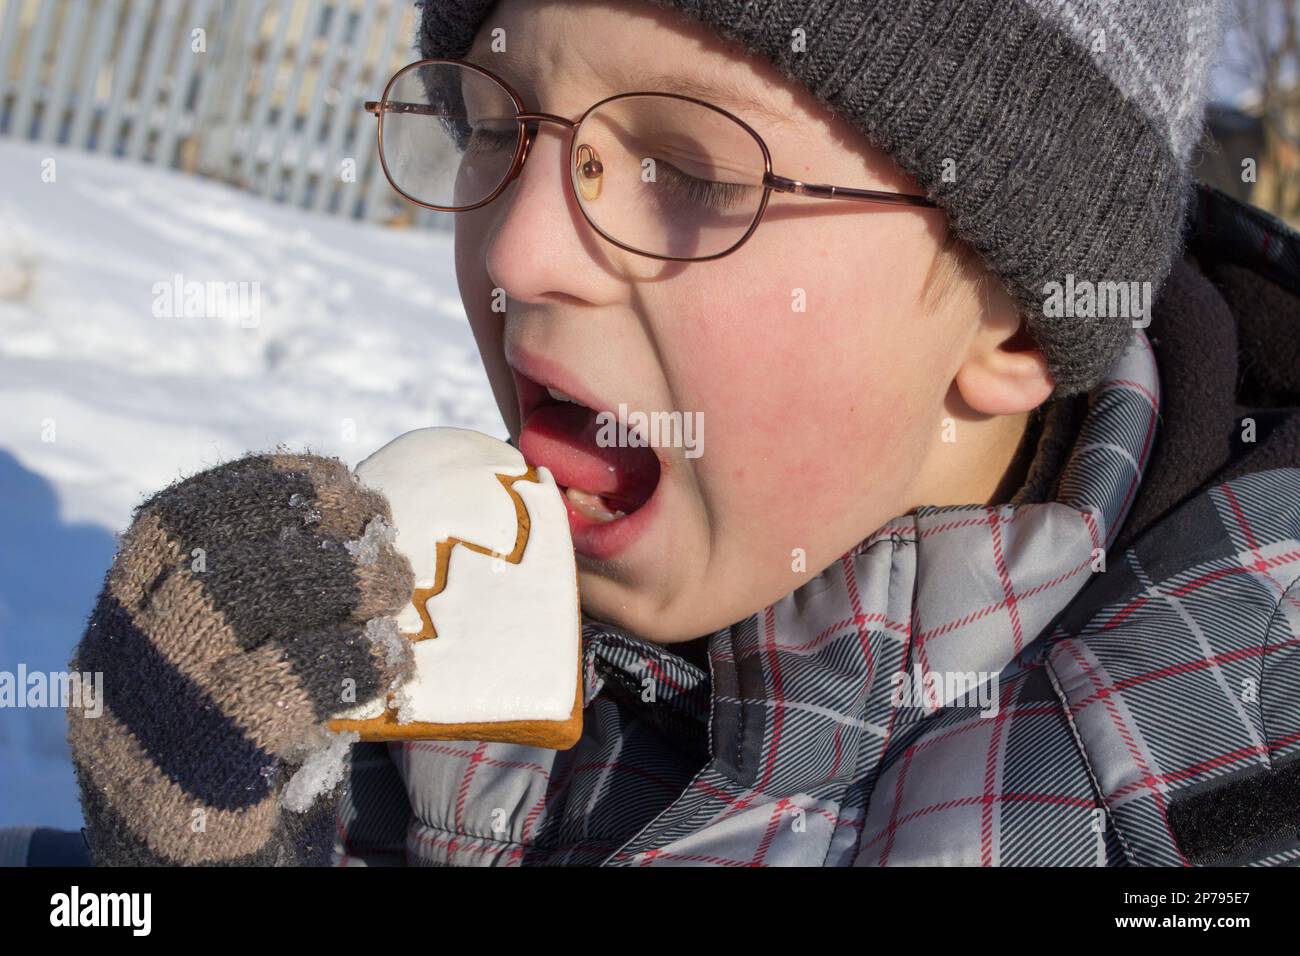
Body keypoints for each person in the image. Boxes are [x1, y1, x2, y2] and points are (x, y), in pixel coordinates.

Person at [63, 0, 1300, 866]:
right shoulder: (462, 631)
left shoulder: (1230, 778)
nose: (519, 247)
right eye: (497, 128)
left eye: (690, 174)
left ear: (1015, 317)